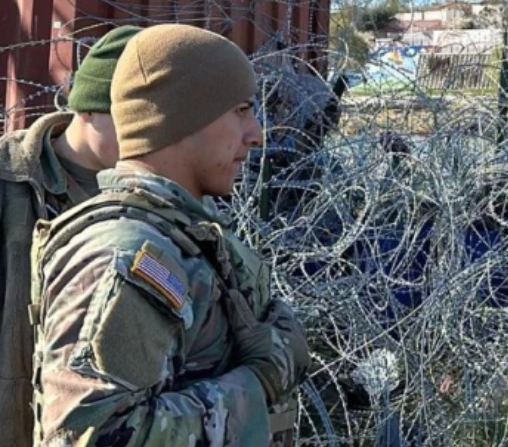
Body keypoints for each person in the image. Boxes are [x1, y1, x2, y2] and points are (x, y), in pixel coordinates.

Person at [30, 24, 310, 446]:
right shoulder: (122, 255)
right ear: (182, 120)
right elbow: (91, 435)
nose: (256, 135)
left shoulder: (182, 232)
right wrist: (255, 386)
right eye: (241, 110)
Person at [0, 25, 140, 447]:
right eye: (131, 117)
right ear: (90, 108)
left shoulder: (156, 199)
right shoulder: (10, 182)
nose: (146, 134)